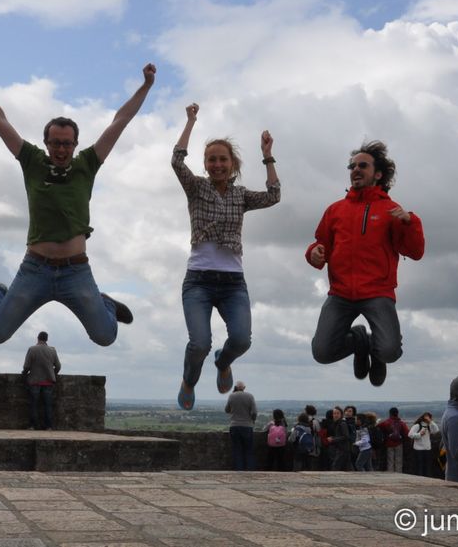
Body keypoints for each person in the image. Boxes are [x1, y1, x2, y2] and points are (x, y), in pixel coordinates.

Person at [0, 61, 156, 348]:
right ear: (46, 143)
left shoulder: (87, 164)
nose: (61, 149)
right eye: (56, 143)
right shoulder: (32, 162)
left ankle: (106, 305)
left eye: (67, 144)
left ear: (75, 144)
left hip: (76, 271)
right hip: (35, 269)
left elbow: (120, 120)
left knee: (105, 336)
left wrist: (146, 86)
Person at [172, 103, 281, 410]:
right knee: (199, 343)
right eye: (212, 159)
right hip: (199, 281)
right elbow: (177, 161)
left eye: (223, 159)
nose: (217, 164)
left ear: (232, 164)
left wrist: (268, 155)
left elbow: (274, 196)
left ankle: (223, 362)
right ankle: (189, 381)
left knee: (242, 339)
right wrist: (191, 122)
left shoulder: (241, 195)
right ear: (205, 164)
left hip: (233, 282)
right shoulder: (195, 188)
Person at [305, 141, 425, 386]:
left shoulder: (392, 210)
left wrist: (409, 222)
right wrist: (313, 253)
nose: (355, 170)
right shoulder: (335, 210)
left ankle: (376, 352)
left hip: (377, 292)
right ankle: (361, 341)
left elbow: (415, 252)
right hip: (340, 294)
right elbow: (320, 244)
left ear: (378, 174)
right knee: (322, 353)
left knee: (390, 351)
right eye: (352, 166)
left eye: (362, 165)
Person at [22, 331, 61, 430]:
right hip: (48, 381)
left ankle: (33, 425)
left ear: (38, 338)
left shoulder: (32, 349)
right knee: (48, 405)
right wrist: (53, 373)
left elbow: (26, 366)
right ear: (47, 339)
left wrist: (24, 374)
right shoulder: (52, 350)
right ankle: (49, 426)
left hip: (34, 381)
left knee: (34, 404)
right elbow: (58, 366)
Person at [225, 381, 257, 470]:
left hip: (234, 425)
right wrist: (252, 420)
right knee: (248, 449)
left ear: (235, 387)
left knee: (237, 449)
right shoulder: (250, 396)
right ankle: (250, 469)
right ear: (244, 387)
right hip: (247, 426)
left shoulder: (231, 396)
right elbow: (254, 412)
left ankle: (239, 469)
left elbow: (227, 410)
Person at [377, 407, 409, 473]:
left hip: (389, 443)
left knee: (390, 460)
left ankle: (390, 474)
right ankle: (398, 474)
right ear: (397, 413)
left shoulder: (386, 422)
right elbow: (407, 433)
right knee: (399, 460)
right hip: (399, 443)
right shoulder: (402, 423)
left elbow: (378, 426)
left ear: (390, 413)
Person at [409, 412, 439, 477]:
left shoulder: (429, 426)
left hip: (427, 449)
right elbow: (410, 434)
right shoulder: (417, 426)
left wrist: (430, 422)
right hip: (418, 450)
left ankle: (426, 479)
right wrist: (419, 434)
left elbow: (436, 430)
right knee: (419, 467)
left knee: (427, 467)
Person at [325, 406, 353, 471]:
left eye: (337, 413)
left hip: (342, 449)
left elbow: (346, 436)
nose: (336, 415)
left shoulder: (342, 423)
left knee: (335, 467)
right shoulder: (337, 423)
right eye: (334, 413)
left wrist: (333, 439)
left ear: (341, 414)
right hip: (341, 449)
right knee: (346, 468)